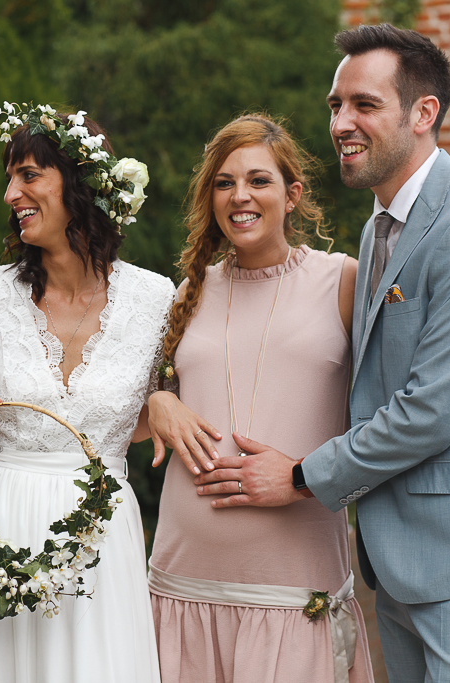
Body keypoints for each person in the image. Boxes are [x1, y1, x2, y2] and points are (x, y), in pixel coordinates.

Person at [191, 25, 450, 683]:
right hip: (402, 558)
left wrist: (297, 476)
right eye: (335, 105)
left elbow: (432, 410)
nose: (341, 121)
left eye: (364, 105)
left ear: (423, 114)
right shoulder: (380, 229)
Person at [0, 106, 174, 683]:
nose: (11, 192)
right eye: (9, 177)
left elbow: (150, 420)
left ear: (80, 183)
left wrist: (169, 401)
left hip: (100, 534)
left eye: (29, 175)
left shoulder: (156, 301)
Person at [144, 113, 373, 683]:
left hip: (294, 586)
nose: (239, 196)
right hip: (181, 583)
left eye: (258, 180)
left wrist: (301, 475)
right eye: (224, 183)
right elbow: (139, 412)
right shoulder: (188, 293)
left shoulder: (344, 282)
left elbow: (388, 421)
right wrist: (160, 400)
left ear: (293, 194)